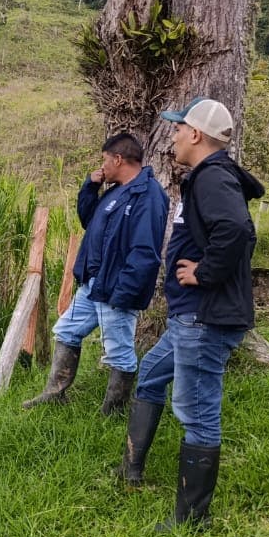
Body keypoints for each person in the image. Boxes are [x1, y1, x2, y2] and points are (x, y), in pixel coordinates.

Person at [113, 97, 264, 531]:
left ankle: (192, 519)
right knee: (151, 373)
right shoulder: (207, 176)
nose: (174, 136)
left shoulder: (212, 176)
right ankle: (131, 468)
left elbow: (236, 230)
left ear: (196, 134)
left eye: (179, 129)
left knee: (196, 411)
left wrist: (205, 272)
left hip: (203, 318)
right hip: (189, 317)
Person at [22, 133, 168, 415]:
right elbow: (89, 219)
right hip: (94, 285)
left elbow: (145, 252)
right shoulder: (116, 191)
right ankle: (54, 394)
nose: (102, 166)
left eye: (105, 160)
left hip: (116, 288)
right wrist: (90, 187)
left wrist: (124, 293)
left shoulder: (148, 196)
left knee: (118, 350)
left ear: (118, 159)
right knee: (66, 331)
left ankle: (114, 411)